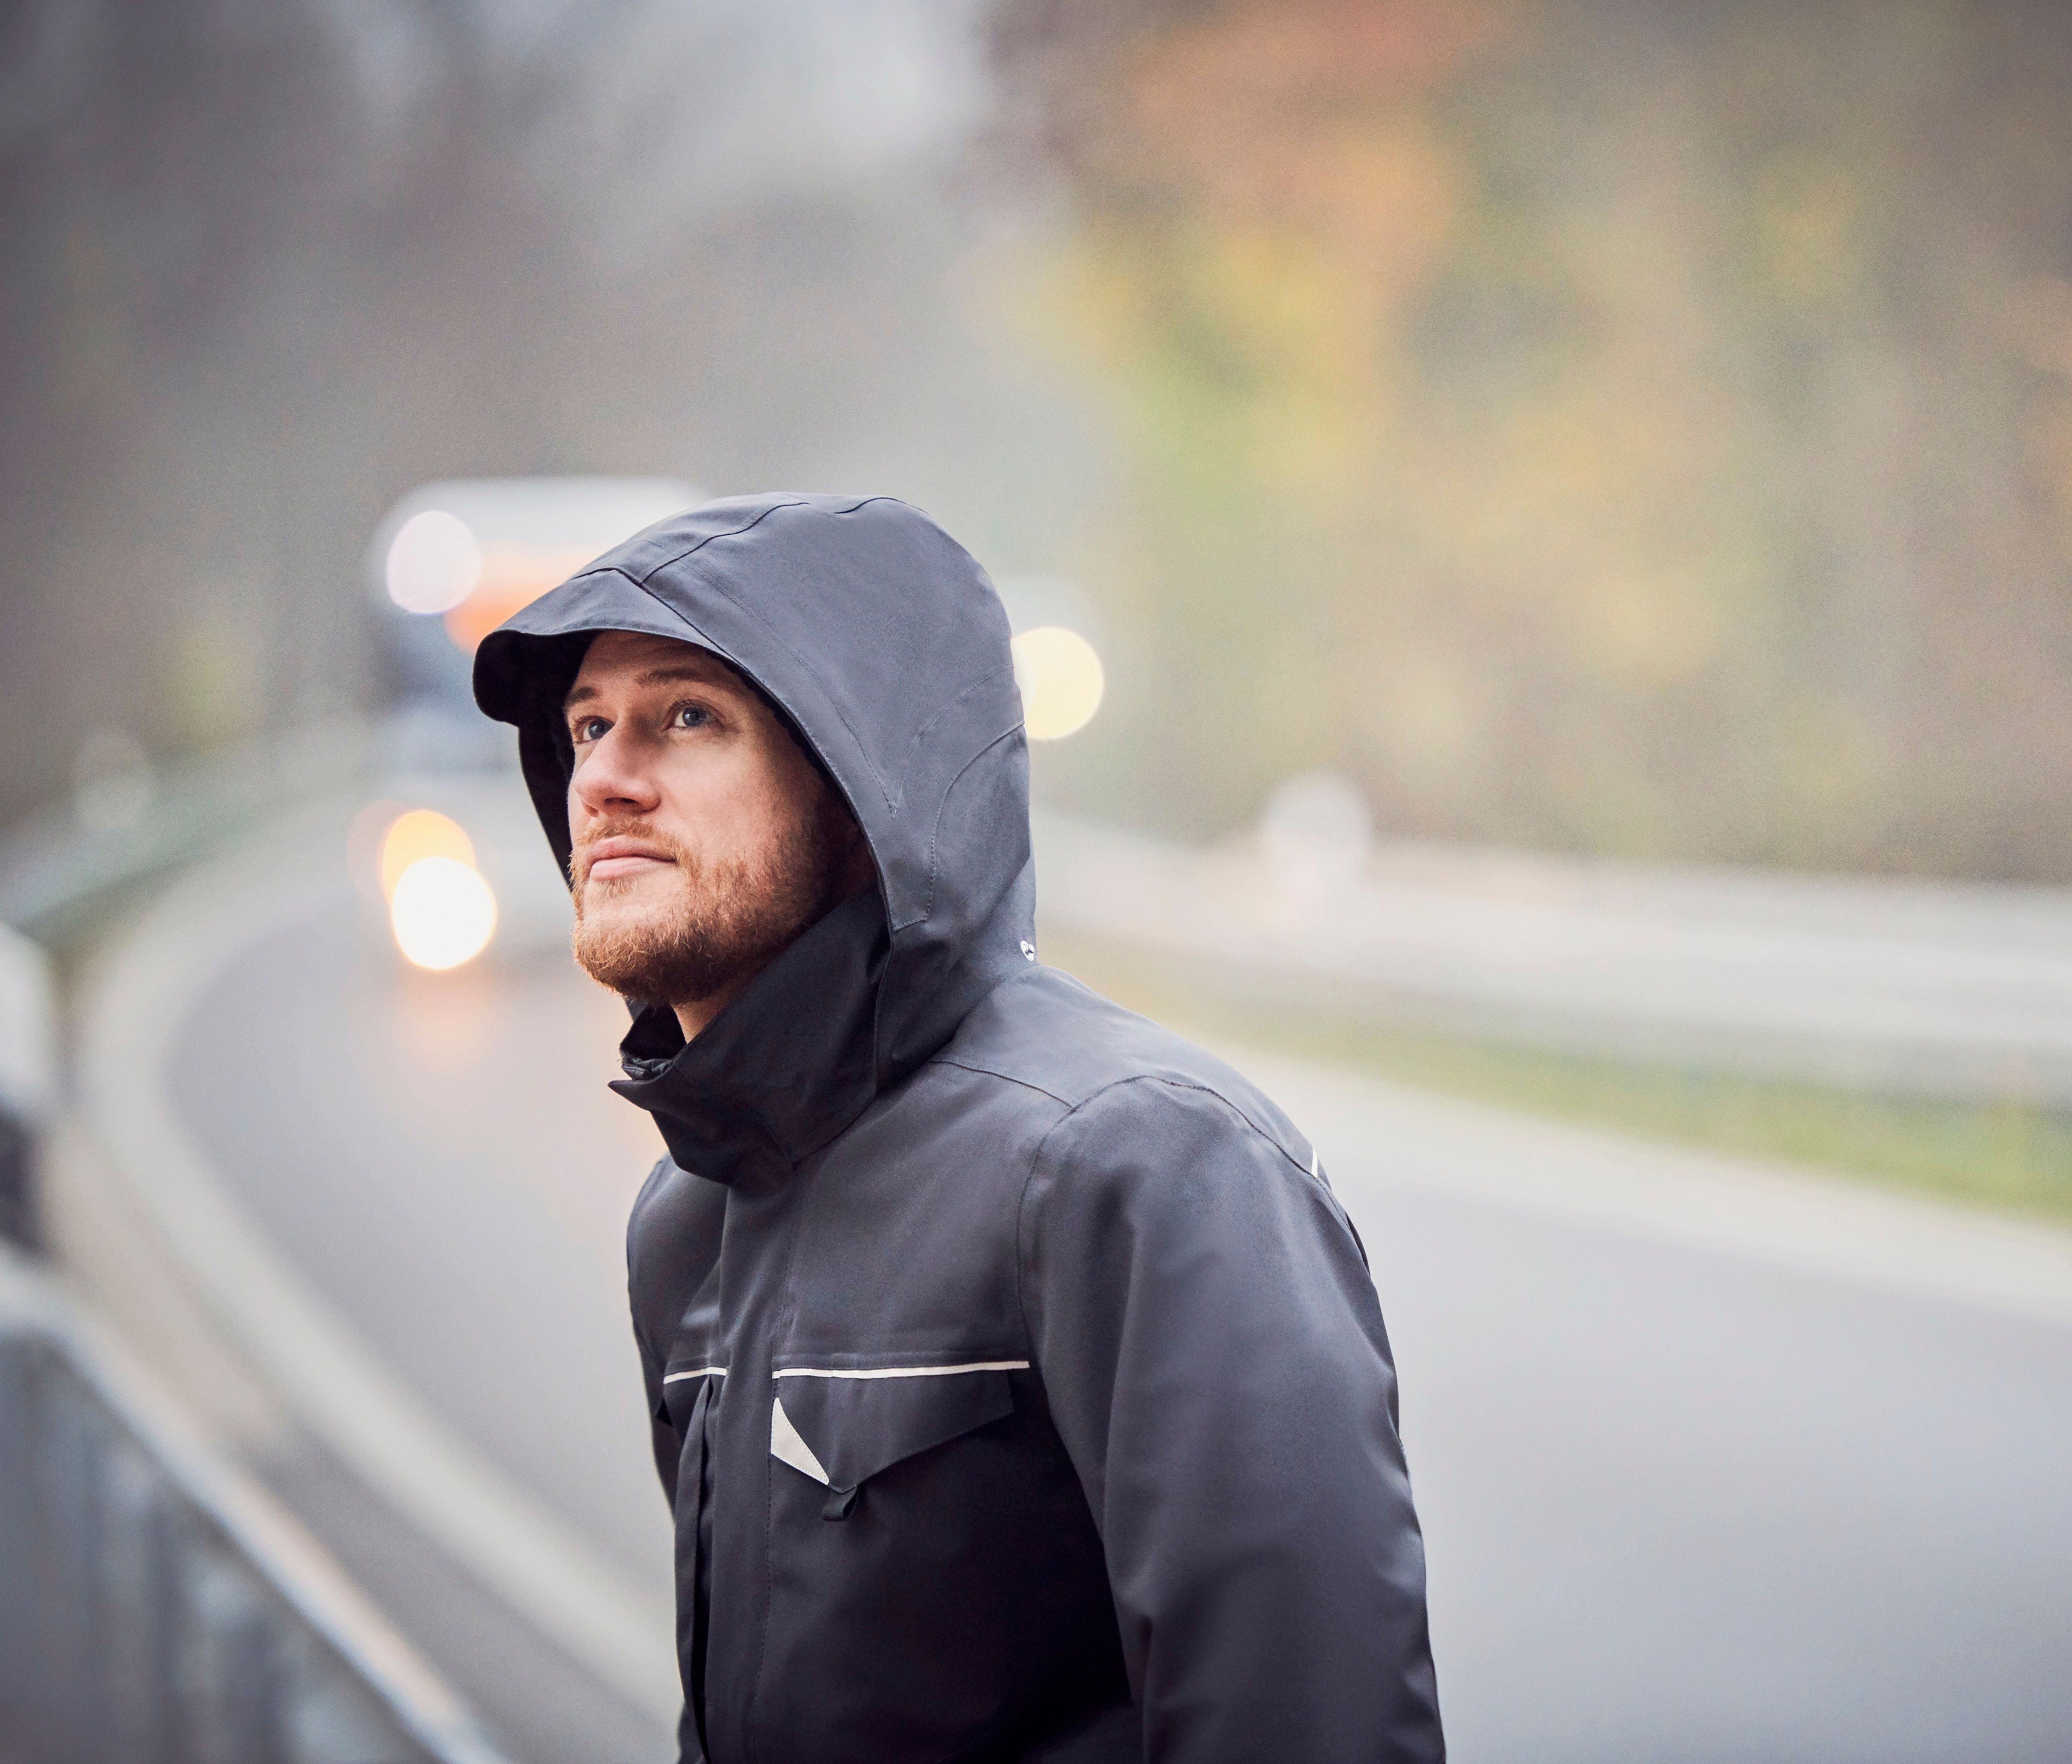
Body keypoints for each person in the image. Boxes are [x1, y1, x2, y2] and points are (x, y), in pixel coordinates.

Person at [472, 494, 1443, 1764]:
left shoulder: (1136, 1161)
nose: (602, 778)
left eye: (687, 715)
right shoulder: (687, 1215)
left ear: (863, 787)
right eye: (588, 725)